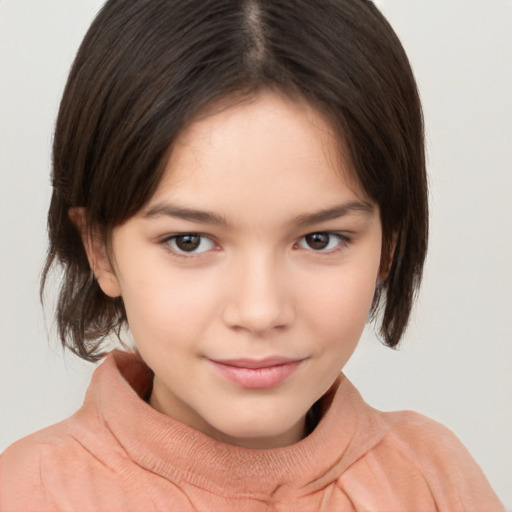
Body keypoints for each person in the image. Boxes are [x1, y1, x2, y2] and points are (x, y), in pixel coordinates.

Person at [0, 0, 505, 510]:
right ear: (100, 249)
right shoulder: (29, 493)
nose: (260, 311)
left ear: (388, 244)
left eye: (319, 239)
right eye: (189, 241)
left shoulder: (433, 480)